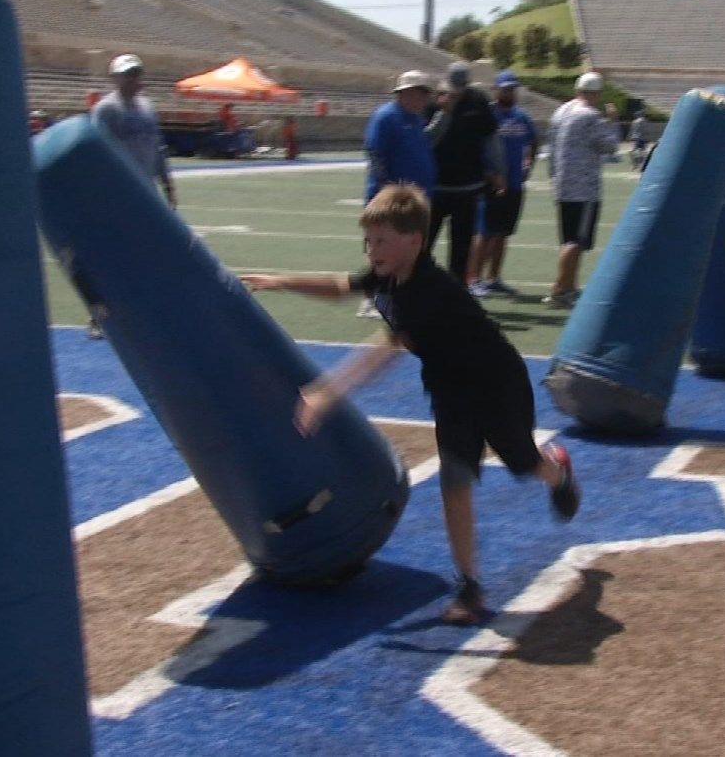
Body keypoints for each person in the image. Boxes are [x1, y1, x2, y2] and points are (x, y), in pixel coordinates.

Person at [240, 184, 581, 624]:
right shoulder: (386, 276)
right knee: (455, 480)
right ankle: (470, 585)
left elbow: (388, 346)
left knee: (522, 462)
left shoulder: (429, 289)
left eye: (382, 241)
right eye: (368, 240)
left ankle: (557, 471)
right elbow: (342, 286)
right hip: (450, 389)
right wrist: (280, 282)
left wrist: (326, 392)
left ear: (415, 241)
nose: (372, 250)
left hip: (496, 384)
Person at [89, 53, 178, 340]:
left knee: (148, 253)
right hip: (118, 194)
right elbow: (97, 153)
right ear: (115, 78)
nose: (134, 79)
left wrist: (167, 183)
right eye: (128, 74)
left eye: (137, 73)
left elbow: (158, 148)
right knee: (113, 257)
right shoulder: (107, 110)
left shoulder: (147, 107)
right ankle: (99, 316)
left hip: (146, 193)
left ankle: (141, 311)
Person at [358, 70, 437, 318]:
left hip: (412, 200)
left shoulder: (416, 119)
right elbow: (376, 155)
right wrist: (386, 193)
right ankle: (372, 299)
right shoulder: (386, 117)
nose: (424, 99)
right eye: (420, 93)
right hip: (391, 199)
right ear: (406, 93)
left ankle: (399, 297)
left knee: (405, 251)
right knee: (381, 248)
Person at [545, 72, 619, 308]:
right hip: (584, 187)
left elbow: (550, 146)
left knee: (568, 239)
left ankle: (570, 286)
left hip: (563, 184)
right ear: (597, 93)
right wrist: (612, 121)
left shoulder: (561, 112)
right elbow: (610, 146)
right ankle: (560, 289)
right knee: (576, 242)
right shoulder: (590, 115)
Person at [425, 62, 503, 282]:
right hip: (436, 186)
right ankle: (419, 289)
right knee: (423, 243)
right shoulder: (434, 101)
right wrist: (444, 112)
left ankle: (457, 290)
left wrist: (498, 170)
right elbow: (425, 141)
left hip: (468, 186)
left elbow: (491, 138)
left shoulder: (478, 100)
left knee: (461, 246)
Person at [468, 71, 537, 297]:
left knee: (503, 232)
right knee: (484, 232)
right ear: (495, 90)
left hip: (515, 183)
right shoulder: (487, 115)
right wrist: (489, 174)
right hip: (491, 184)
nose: (509, 93)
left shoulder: (521, 116)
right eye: (505, 89)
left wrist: (529, 162)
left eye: (512, 89)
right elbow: (476, 149)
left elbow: (533, 140)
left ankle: (494, 278)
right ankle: (473, 278)